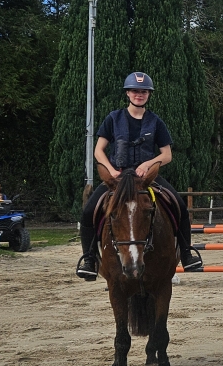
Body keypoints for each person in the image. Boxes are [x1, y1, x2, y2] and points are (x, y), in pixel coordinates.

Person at [76, 72, 203, 280]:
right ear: (128, 93)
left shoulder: (156, 121)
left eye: (144, 91)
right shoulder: (113, 118)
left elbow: (167, 154)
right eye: (135, 91)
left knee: (179, 205)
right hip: (118, 176)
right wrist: (111, 170)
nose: (139, 95)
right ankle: (89, 259)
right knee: (89, 210)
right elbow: (99, 151)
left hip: (146, 178)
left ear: (149, 95)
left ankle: (188, 253)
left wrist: (148, 163)